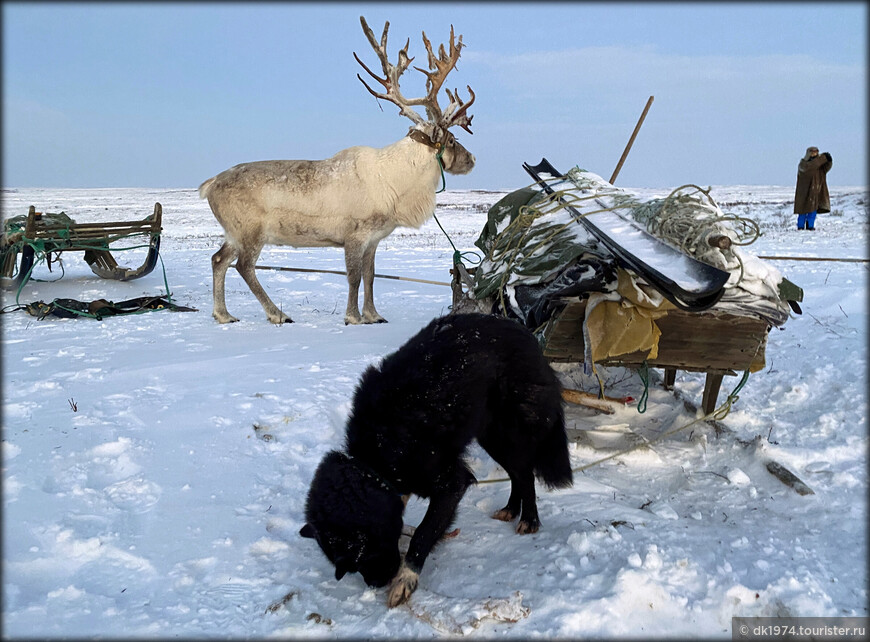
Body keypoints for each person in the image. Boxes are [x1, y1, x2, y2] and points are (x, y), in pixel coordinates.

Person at [793, 146, 832, 230]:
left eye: (816, 152)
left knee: (812, 210)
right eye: (812, 152)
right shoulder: (803, 164)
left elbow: (826, 168)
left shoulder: (820, 166)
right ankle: (800, 226)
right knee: (802, 210)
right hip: (803, 192)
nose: (814, 154)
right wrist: (822, 159)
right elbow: (810, 167)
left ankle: (810, 226)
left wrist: (829, 160)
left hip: (815, 191)